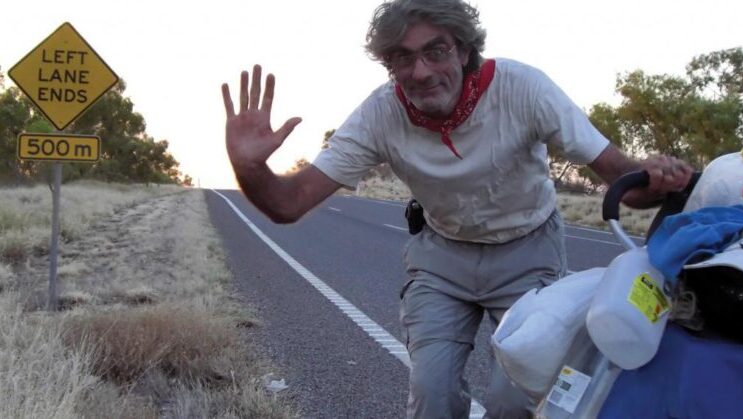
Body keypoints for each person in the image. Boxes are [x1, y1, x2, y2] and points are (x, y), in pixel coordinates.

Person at [221, 0, 693, 417]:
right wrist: (250, 167)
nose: (421, 71)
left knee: (517, 400)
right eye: (402, 58)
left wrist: (656, 179)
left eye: (436, 50)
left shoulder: (523, 89)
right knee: (433, 393)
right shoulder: (379, 115)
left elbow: (625, 184)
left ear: (464, 51)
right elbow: (288, 204)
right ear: (389, 66)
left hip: (528, 250)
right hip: (441, 256)